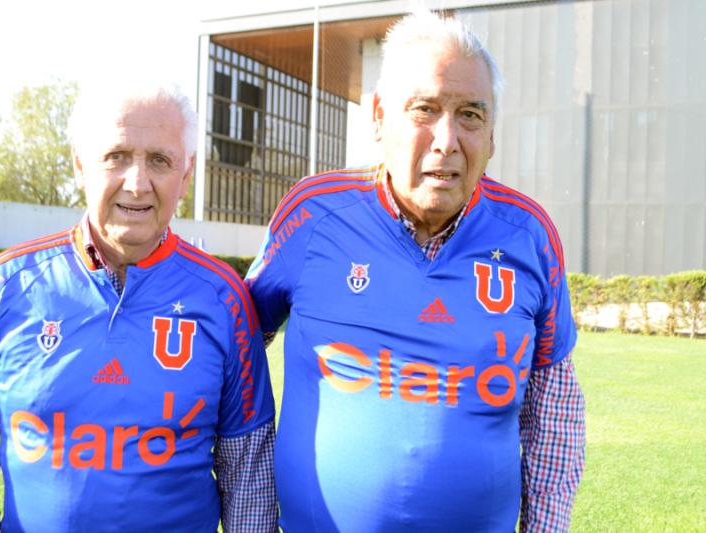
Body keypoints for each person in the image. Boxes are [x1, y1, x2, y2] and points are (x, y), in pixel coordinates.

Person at [246, 11, 585, 533]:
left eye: (471, 114)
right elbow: (233, 352)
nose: (447, 140)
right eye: (424, 109)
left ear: (492, 135)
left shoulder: (529, 234)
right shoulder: (312, 213)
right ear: (380, 117)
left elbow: (554, 409)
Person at [0, 81, 277, 532]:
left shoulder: (225, 300)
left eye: (160, 161)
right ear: (80, 166)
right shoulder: (4, 288)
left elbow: (249, 480)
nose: (137, 182)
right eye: (117, 157)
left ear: (185, 177)